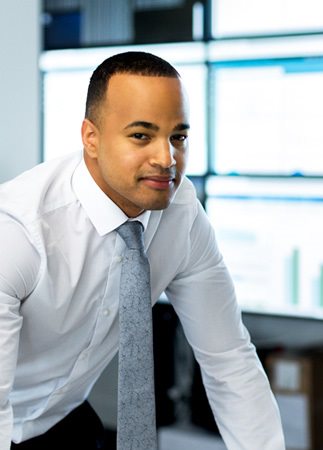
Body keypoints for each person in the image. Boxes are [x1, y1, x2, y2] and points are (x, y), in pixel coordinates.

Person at [0, 52, 284, 449]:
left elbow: (229, 360)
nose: (166, 159)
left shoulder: (182, 215)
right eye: (141, 135)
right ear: (91, 138)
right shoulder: (18, 232)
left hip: (63, 421)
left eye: (177, 137)